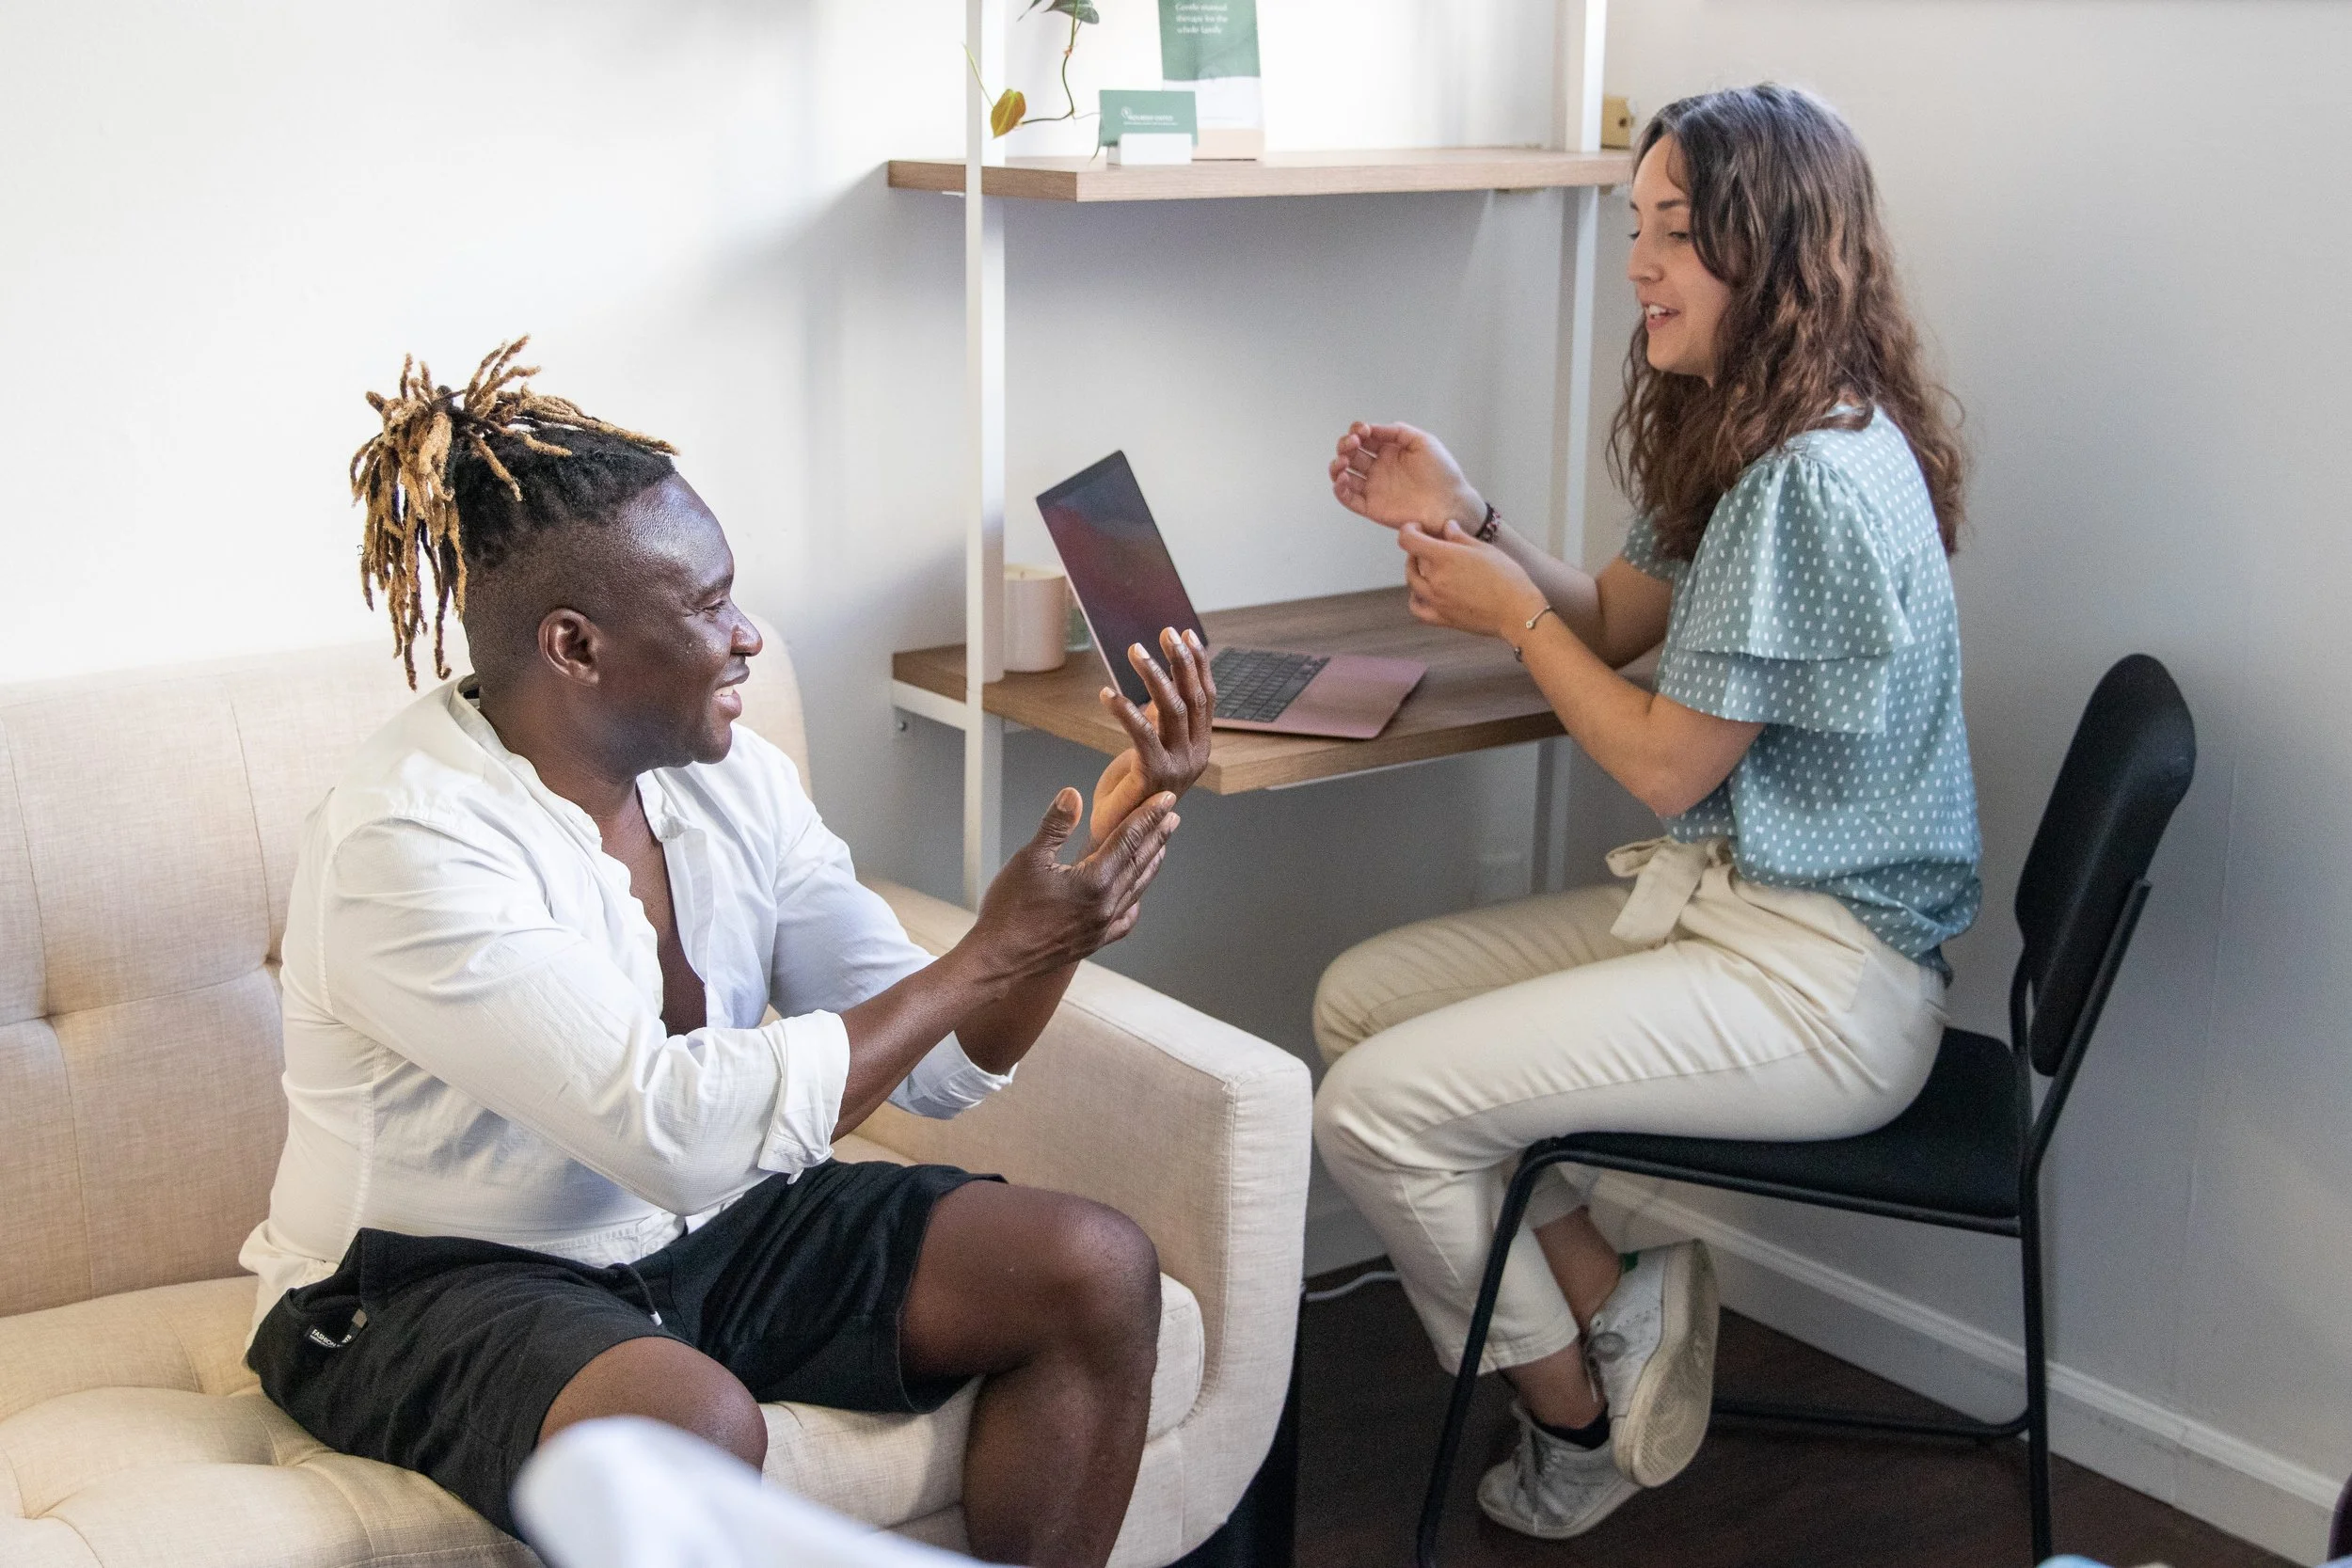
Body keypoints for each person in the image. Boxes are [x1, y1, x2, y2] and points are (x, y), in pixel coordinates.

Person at [238, 341, 1217, 1568]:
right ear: (575, 646)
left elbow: (934, 1066)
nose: (750, 635)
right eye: (707, 606)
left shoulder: (731, 777)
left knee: (1092, 1268)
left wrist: (1061, 918)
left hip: (683, 1227)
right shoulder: (412, 840)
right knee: (687, 1421)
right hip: (420, 1281)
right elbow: (673, 1131)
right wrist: (985, 954)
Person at [1311, 85, 1980, 1541]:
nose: (1637, 264)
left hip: (1825, 981)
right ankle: (1624, 1302)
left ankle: (1578, 1420)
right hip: (1747, 915)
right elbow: (1616, 618)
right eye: (1636, 227)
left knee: (1373, 1113)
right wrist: (1473, 522)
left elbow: (1664, 763)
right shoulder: (1764, 432)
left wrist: (1506, 623)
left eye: (1674, 232)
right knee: (1360, 1007)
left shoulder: (1807, 475)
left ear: (1774, 247)